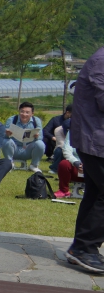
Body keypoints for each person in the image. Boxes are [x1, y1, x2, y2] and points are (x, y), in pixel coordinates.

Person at [64, 46, 104, 273]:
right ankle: (85, 248)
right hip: (96, 140)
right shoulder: (102, 61)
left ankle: (80, 248)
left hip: (95, 140)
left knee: (96, 193)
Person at [0, 101, 46, 171]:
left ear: (32, 114)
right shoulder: (12, 119)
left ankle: (34, 165)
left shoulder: (36, 121)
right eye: (22, 111)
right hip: (14, 148)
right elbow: (3, 137)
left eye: (27, 112)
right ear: (19, 111)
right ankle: (9, 164)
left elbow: (41, 137)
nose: (24, 114)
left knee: (40, 144)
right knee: (6, 141)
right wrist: (7, 134)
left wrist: (37, 137)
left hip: (28, 149)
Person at [55, 124, 82, 199]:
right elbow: (67, 150)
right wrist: (76, 163)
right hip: (77, 167)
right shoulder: (72, 131)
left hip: (96, 168)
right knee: (64, 164)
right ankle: (64, 190)